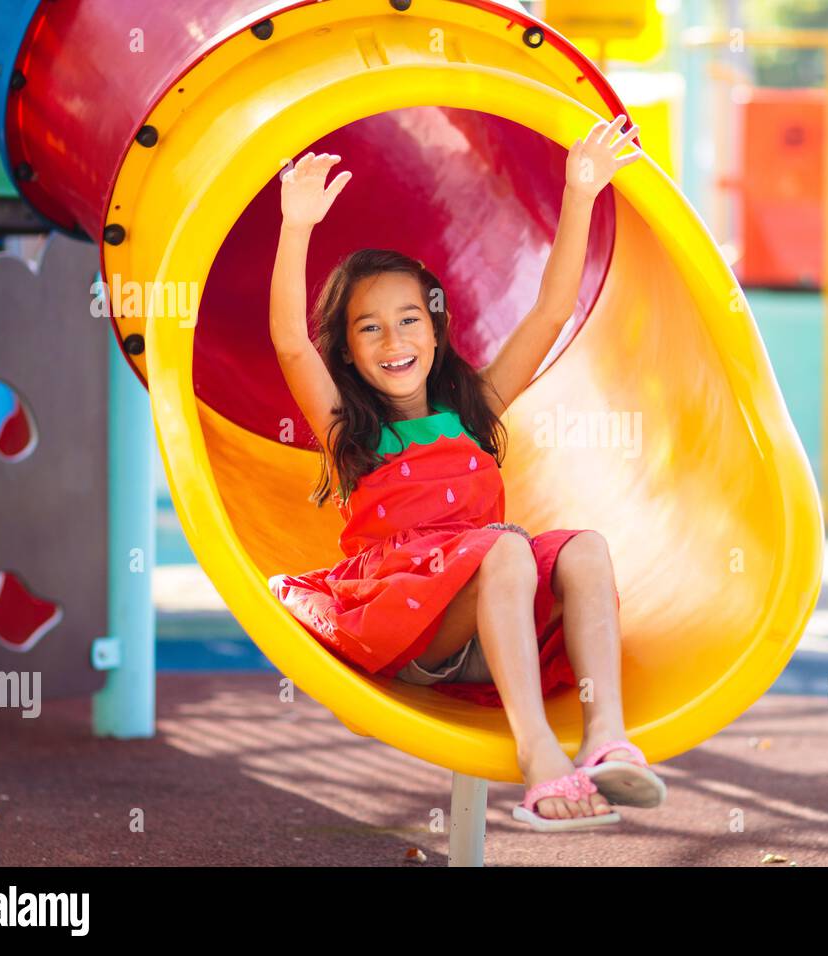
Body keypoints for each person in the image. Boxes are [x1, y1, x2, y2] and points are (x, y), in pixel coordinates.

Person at [266, 116, 666, 830]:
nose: (394, 340)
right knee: (505, 546)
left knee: (584, 547)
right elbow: (291, 345)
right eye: (369, 328)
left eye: (409, 320)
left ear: (437, 328)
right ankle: (539, 757)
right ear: (350, 353)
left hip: (495, 618)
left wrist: (579, 196)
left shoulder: (472, 409)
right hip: (415, 629)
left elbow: (548, 313)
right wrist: (296, 225)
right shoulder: (353, 432)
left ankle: (607, 739)